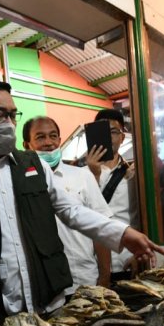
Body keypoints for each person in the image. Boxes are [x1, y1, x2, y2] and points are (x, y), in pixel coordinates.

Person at [0, 79, 164, 326]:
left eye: (12, 114)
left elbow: (72, 211)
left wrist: (122, 233)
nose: (9, 123)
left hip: (52, 306)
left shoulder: (33, 165)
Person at [22, 115, 113, 292]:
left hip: (84, 279)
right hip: (44, 286)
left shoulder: (83, 176)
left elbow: (100, 229)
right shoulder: (21, 182)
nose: (48, 142)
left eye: (53, 135)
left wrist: (104, 277)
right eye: (40, 137)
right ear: (26, 145)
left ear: (60, 140)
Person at [85, 109, 141, 281]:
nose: (108, 136)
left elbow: (140, 217)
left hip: (127, 261)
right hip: (90, 266)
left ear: (122, 137)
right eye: (102, 132)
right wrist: (92, 174)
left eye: (114, 131)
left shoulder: (134, 174)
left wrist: (138, 255)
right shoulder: (78, 174)